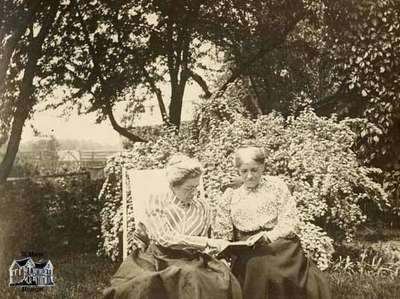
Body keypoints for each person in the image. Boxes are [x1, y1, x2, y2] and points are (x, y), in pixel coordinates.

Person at [103, 153, 242, 299]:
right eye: (188, 188)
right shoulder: (157, 201)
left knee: (211, 277)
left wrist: (215, 249)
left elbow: (203, 237)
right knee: (150, 284)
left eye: (196, 187)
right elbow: (164, 238)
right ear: (173, 186)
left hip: (191, 258)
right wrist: (206, 242)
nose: (194, 193)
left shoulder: (202, 207)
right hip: (159, 257)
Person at [213, 146, 331, 299]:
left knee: (275, 268)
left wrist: (269, 237)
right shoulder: (230, 194)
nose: (249, 176)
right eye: (244, 171)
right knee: (258, 264)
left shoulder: (276, 186)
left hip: (279, 243)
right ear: (238, 171)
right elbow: (222, 231)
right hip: (246, 248)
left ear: (263, 167)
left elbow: (290, 221)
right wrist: (225, 252)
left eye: (254, 170)